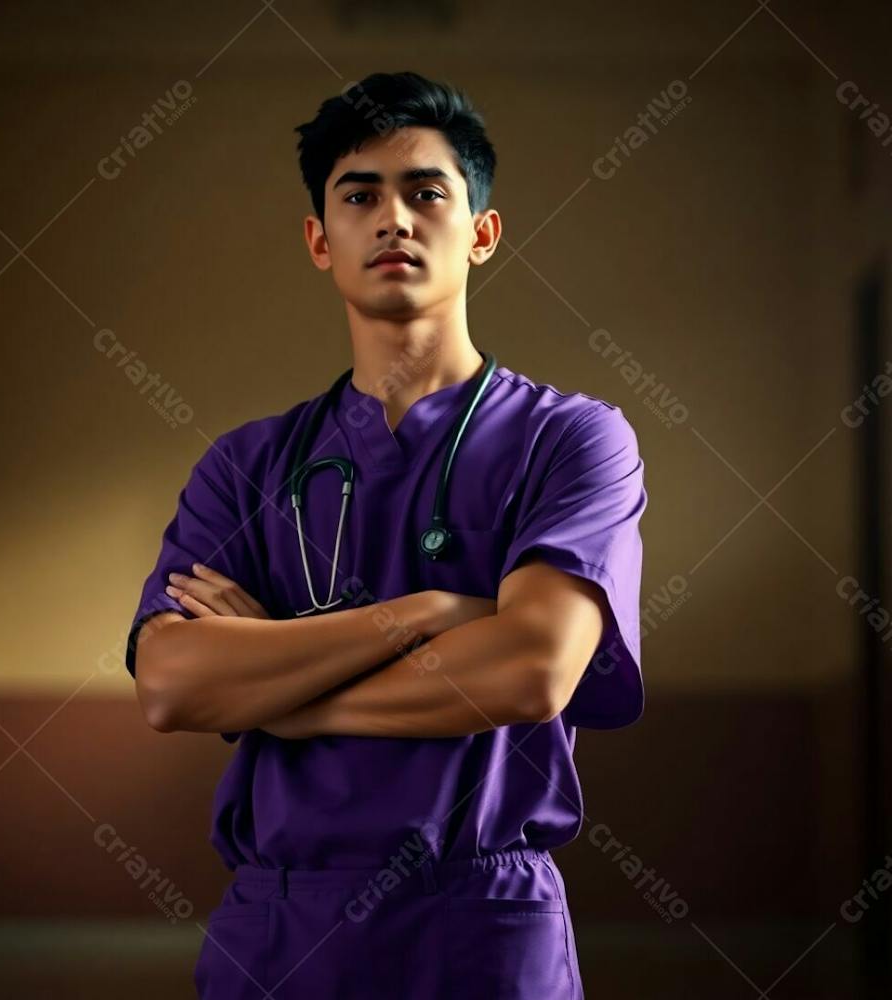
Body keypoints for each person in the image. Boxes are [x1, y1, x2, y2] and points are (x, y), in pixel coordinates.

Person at [125, 70, 647, 1000]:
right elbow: (171, 682)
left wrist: (278, 692)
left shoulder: (571, 439)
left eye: (426, 193)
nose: (394, 218)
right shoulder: (248, 467)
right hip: (281, 925)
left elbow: (533, 670)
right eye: (361, 195)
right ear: (321, 241)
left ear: (481, 234)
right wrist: (425, 613)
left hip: (482, 920)